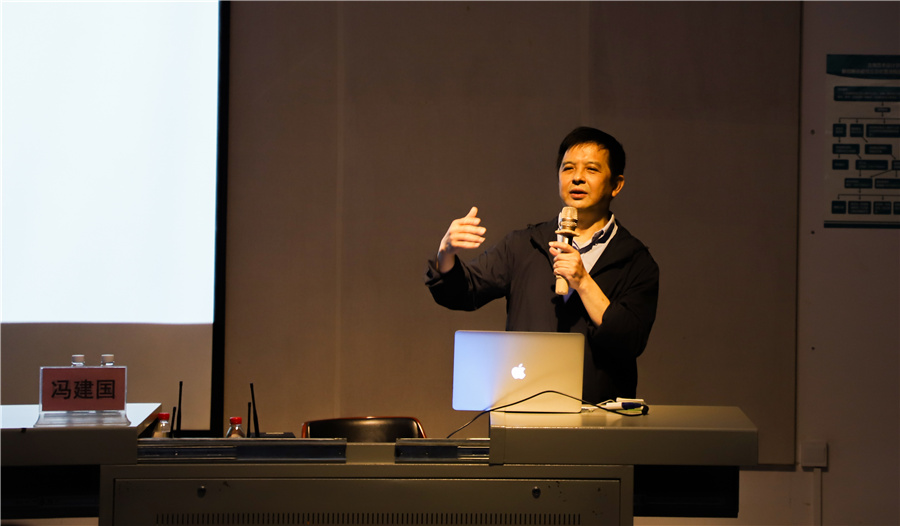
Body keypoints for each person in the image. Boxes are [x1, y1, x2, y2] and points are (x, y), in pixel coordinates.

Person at [424, 126, 659, 403]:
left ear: (616, 184)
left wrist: (583, 282)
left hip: (600, 415)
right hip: (525, 408)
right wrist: (446, 254)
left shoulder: (635, 259)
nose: (577, 178)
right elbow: (463, 292)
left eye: (591, 169)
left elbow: (630, 340)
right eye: (568, 168)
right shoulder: (524, 244)